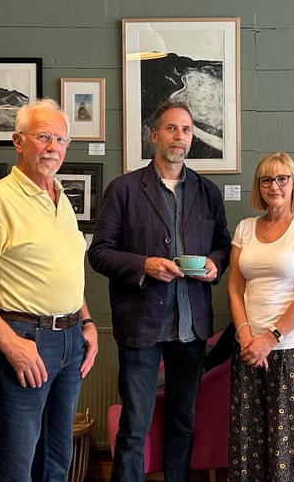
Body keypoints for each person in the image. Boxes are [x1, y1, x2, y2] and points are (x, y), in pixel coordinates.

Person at [88, 100, 230, 481]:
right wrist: (143, 265)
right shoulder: (124, 189)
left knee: (183, 423)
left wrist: (216, 263)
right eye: (171, 128)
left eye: (185, 130)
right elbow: (99, 254)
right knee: (135, 425)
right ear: (154, 135)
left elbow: (223, 244)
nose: (179, 137)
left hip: (191, 328)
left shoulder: (207, 191)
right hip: (142, 326)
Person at [0, 98, 98, 480]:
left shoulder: (61, 198)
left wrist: (88, 322)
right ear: (18, 141)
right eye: (43, 136)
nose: (53, 147)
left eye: (61, 139)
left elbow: (61, 269)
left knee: (55, 459)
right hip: (25, 340)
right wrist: (11, 345)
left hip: (69, 340)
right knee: (16, 465)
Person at [227, 152, 294, 480]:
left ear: (293, 184)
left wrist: (269, 340)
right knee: (250, 446)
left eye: (282, 178)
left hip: (293, 353)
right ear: (258, 186)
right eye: (266, 179)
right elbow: (234, 288)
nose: (275, 186)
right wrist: (246, 336)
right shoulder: (245, 228)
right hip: (248, 352)